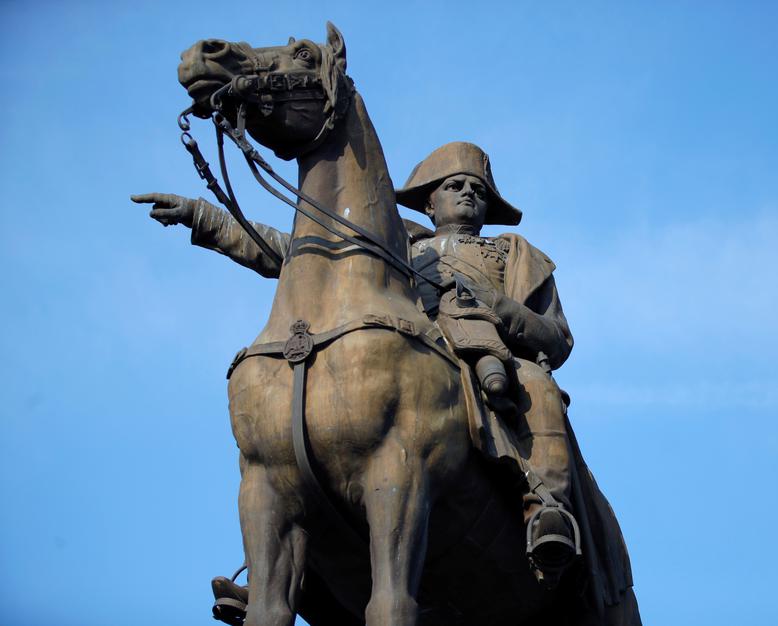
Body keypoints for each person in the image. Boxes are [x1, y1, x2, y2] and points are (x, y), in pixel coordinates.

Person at [131, 143, 634, 603]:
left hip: (491, 354)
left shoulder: (513, 254)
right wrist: (204, 217)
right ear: (428, 203)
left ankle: (546, 507)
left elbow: (557, 339)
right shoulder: (395, 243)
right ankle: (279, 575)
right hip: (408, 354)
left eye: (478, 190)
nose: (467, 195)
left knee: (537, 384)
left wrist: (499, 306)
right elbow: (286, 251)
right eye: (453, 186)